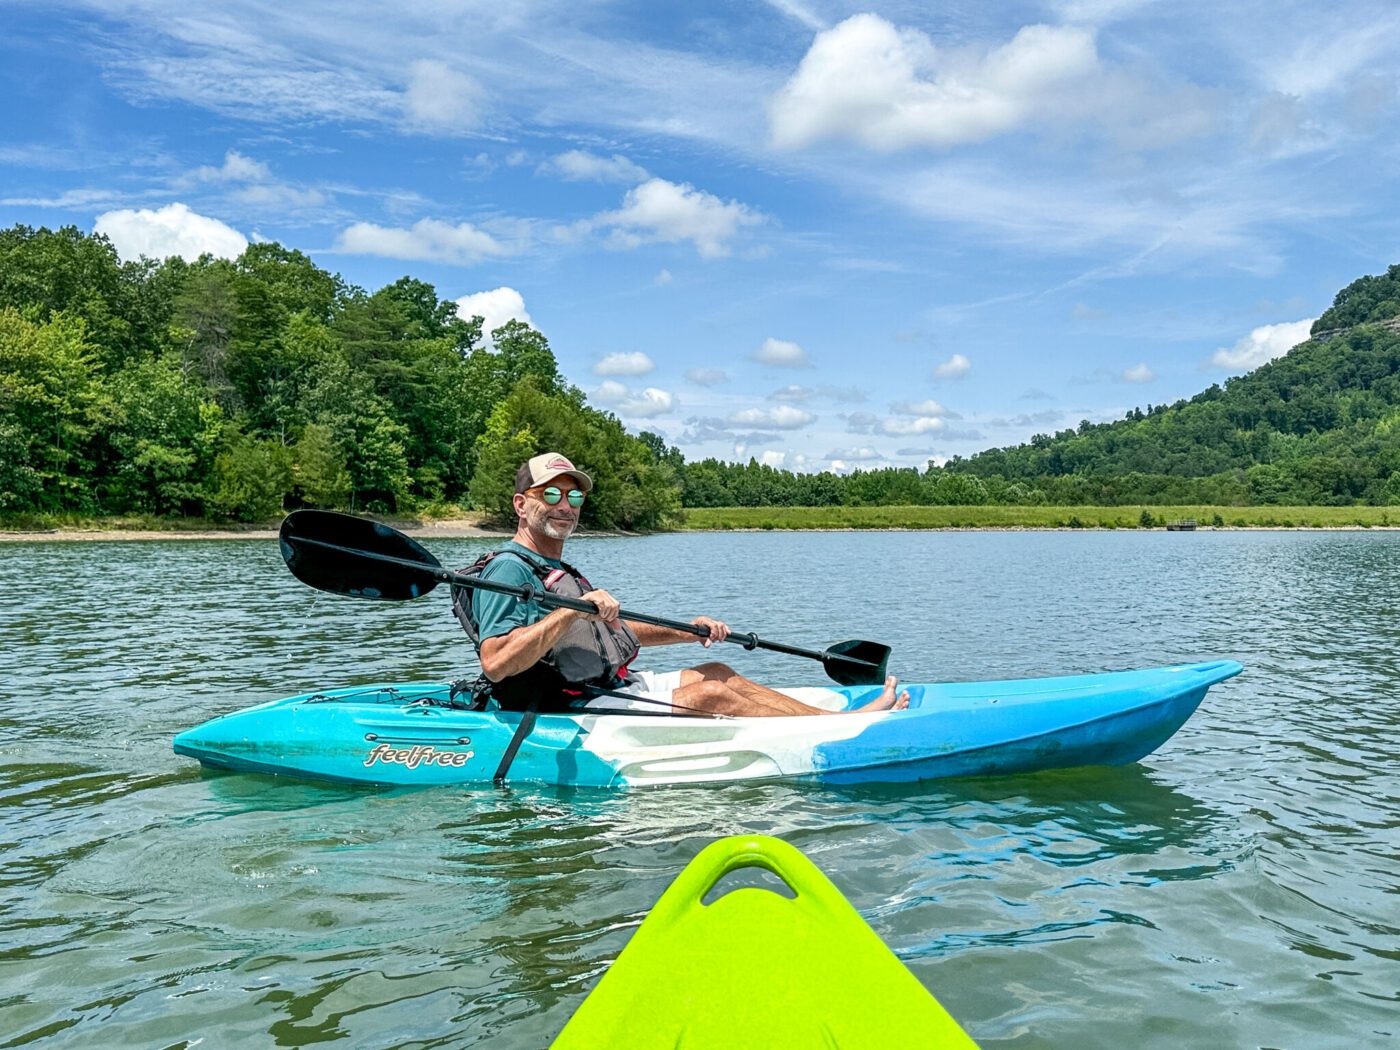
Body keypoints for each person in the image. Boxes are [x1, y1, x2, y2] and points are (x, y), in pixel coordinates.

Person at [453, 452, 909, 717]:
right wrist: (572, 609)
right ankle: (844, 728)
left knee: (715, 674)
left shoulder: (559, 567)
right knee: (710, 696)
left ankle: (831, 721)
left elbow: (615, 633)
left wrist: (688, 631)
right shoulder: (509, 571)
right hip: (566, 709)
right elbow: (496, 664)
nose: (565, 505)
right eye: (550, 494)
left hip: (607, 684)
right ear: (520, 504)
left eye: (574, 495)